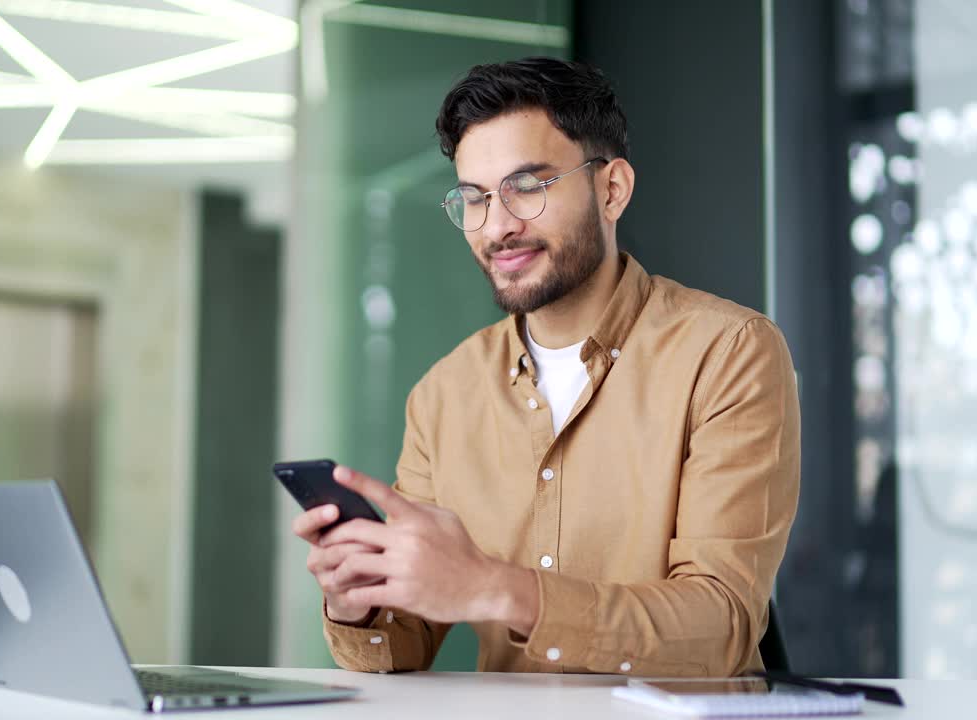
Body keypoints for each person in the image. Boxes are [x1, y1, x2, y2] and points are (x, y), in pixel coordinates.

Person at [292, 57, 800, 676]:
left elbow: (721, 623)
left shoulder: (728, 353)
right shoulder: (444, 394)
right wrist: (358, 602)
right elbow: (404, 644)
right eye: (474, 198)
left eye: (526, 188)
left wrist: (497, 588)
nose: (498, 226)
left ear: (611, 189)